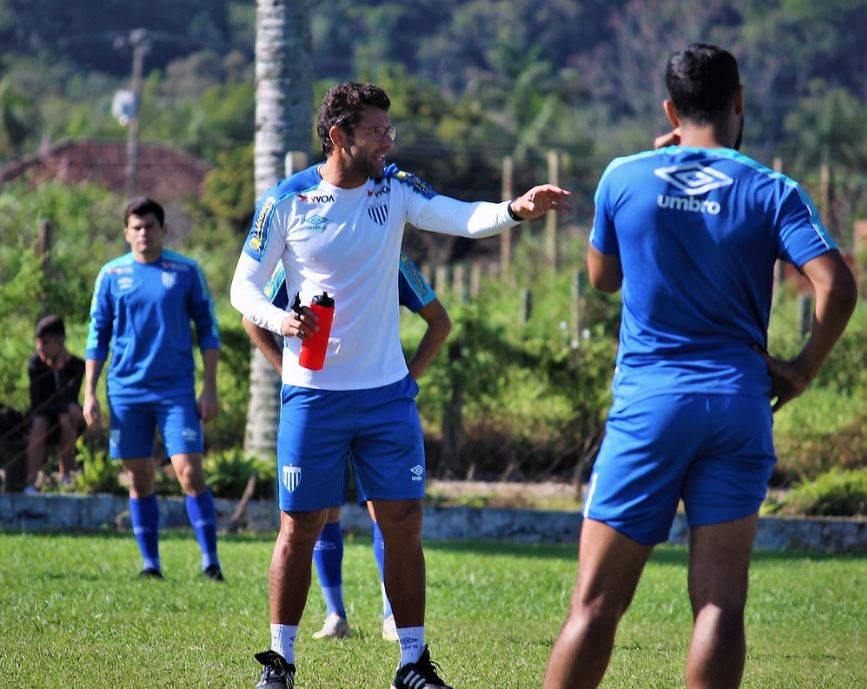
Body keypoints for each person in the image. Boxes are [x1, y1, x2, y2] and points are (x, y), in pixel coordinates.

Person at [230, 81, 569, 689]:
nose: (388, 141)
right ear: (339, 136)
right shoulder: (287, 200)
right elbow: (242, 288)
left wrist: (515, 210)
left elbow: (461, 217)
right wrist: (280, 319)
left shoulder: (396, 186)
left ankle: (413, 663)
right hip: (314, 395)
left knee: (403, 523)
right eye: (377, 131)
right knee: (298, 528)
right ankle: (279, 663)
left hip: (387, 396)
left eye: (391, 131)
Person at [541, 43, 857, 689]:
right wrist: (800, 368)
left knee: (595, 604)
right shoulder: (773, 189)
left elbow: (601, 278)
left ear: (669, 108)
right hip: (739, 402)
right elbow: (837, 286)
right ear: (739, 102)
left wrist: (659, 178)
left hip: (651, 404)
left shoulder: (624, 174)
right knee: (719, 604)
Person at [243, 253, 452, 643]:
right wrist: (289, 374)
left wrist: (407, 381)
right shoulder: (299, 254)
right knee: (317, 515)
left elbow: (440, 322)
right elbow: (252, 319)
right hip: (318, 407)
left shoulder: (391, 255)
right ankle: (334, 614)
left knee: (387, 512)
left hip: (379, 406)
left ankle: (392, 615)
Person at [83, 197, 225, 582]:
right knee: (139, 476)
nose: (144, 233)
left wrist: (208, 388)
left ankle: (211, 561)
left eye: (150, 226)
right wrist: (89, 392)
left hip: (176, 390)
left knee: (189, 472)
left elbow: (209, 332)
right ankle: (151, 564)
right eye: (137, 227)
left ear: (163, 230)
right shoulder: (111, 276)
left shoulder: (185, 271)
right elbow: (97, 335)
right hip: (126, 390)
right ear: (127, 233)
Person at [24, 314, 85, 493]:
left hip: (65, 422)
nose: (39, 348)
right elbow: (39, 403)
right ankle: (31, 482)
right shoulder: (35, 365)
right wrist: (65, 406)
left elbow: (71, 397)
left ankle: (65, 476)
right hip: (41, 419)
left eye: (45, 343)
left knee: (67, 418)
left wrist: (60, 371)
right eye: (38, 343)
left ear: (60, 342)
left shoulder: (76, 366)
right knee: (40, 421)